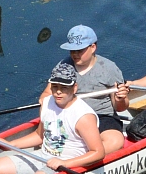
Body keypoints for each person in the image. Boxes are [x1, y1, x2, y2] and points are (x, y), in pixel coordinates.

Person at [0, 62, 104, 174]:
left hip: (67, 165)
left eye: (64, 87)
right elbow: (39, 135)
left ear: (74, 88)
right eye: (55, 86)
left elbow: (98, 152)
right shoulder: (47, 103)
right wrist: (11, 145)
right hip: (43, 156)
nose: (58, 92)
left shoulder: (83, 116)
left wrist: (65, 163)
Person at [43, 25, 129, 154]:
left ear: (93, 47)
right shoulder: (63, 66)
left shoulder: (109, 68)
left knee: (115, 141)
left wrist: (120, 99)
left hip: (102, 116)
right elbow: (46, 94)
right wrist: (45, 102)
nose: (75, 54)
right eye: (72, 50)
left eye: (79, 50)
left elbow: (120, 108)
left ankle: (82, 157)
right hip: (71, 115)